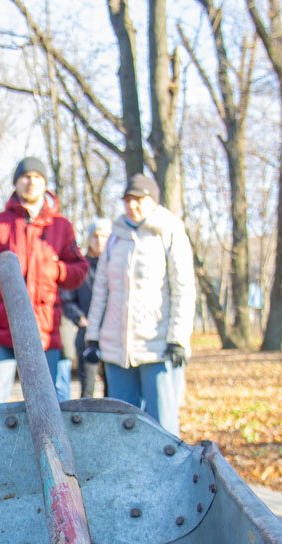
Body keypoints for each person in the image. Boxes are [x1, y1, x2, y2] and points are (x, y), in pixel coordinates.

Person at [0, 157, 87, 404]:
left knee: (46, 402)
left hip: (44, 330)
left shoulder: (61, 226)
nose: (31, 182)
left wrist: (55, 270)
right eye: (26, 177)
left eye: (37, 177)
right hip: (2, 328)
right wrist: (5, 270)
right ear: (16, 183)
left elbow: (79, 270)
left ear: (45, 184)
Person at [84, 174, 194, 436]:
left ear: (152, 201)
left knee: (161, 427)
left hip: (156, 345)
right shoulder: (114, 238)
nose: (132, 206)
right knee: (122, 426)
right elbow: (101, 290)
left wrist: (177, 338)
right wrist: (93, 337)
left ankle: (167, 476)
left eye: (139, 200)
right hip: (117, 348)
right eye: (128, 200)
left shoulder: (169, 232)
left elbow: (183, 288)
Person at [63, 219, 110, 398]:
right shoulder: (80, 267)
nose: (99, 241)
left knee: (112, 389)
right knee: (87, 387)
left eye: (104, 236)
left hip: (112, 333)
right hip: (86, 332)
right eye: (96, 236)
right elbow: (67, 299)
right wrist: (80, 318)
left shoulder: (114, 266)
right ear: (89, 239)